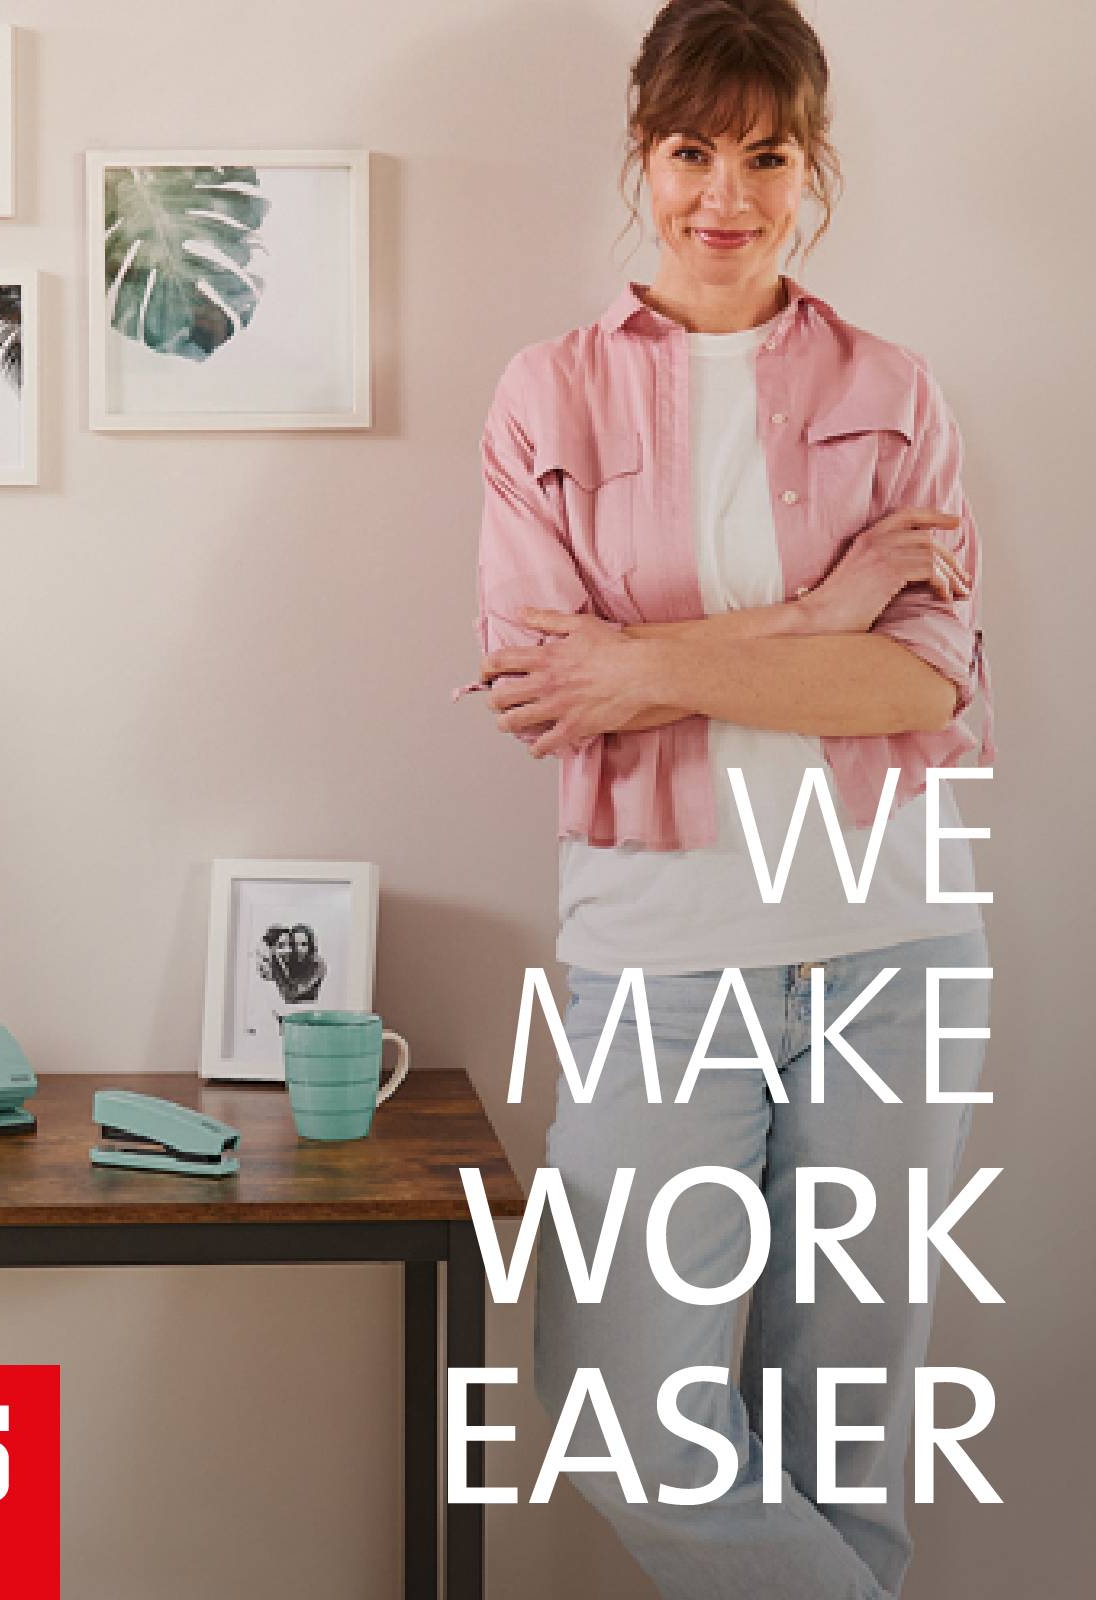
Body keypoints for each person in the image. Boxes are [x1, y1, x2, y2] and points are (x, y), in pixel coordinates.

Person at [464, 3, 994, 1596]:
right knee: (627, 1408)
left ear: (808, 165)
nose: (727, 194)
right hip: (656, 956)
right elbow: (546, 693)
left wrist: (655, 665)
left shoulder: (897, 392)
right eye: (694, 150)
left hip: (890, 944)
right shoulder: (544, 399)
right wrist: (827, 615)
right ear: (643, 152)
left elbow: (921, 691)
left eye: (766, 155)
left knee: (845, 1431)